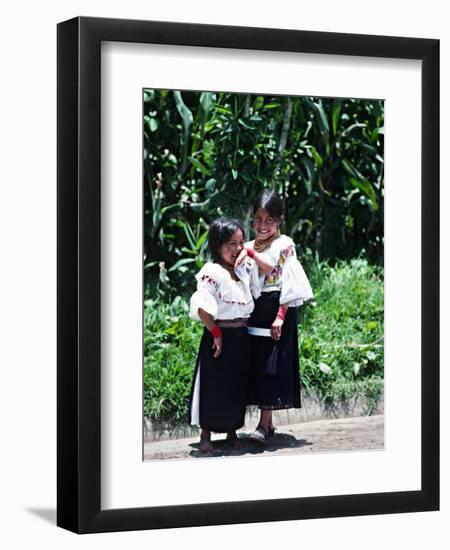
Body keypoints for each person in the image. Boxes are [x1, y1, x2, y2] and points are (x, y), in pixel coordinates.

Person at [236, 190, 313, 444]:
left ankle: (262, 424)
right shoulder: (246, 246)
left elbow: (289, 284)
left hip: (277, 309)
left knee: (271, 367)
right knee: (257, 366)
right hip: (255, 312)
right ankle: (266, 427)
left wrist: (280, 317)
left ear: (279, 220)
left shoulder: (285, 246)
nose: (262, 225)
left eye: (269, 220)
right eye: (258, 219)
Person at [188, 217, 266, 453]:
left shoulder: (241, 272)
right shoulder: (212, 272)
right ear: (218, 244)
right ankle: (205, 437)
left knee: (236, 386)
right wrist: (216, 333)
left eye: (241, 243)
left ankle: (232, 432)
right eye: (231, 244)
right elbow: (202, 308)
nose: (238, 249)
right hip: (218, 336)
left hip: (241, 336)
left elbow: (259, 287)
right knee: (214, 385)